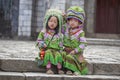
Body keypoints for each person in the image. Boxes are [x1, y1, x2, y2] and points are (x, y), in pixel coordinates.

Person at [35, 9, 64, 74]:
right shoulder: (43, 32)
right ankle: (48, 69)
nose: (52, 23)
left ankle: (59, 69)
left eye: (55, 22)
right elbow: (38, 41)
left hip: (56, 50)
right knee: (48, 53)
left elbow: (61, 44)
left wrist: (61, 50)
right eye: (51, 21)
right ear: (47, 21)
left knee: (58, 55)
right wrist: (42, 44)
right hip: (46, 49)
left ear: (58, 24)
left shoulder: (59, 34)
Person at [62, 6, 88, 75]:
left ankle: (71, 69)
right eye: (70, 20)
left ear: (79, 23)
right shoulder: (67, 30)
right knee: (61, 55)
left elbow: (83, 44)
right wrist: (63, 17)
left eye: (75, 21)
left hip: (75, 53)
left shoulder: (80, 32)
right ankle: (63, 69)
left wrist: (75, 50)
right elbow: (62, 24)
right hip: (66, 50)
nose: (72, 22)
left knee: (70, 58)